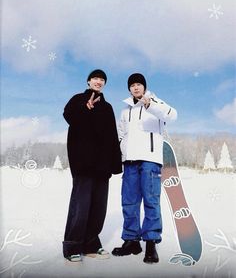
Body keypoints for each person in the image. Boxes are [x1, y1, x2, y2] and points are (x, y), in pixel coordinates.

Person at [112, 73, 177, 264]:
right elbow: (120, 133)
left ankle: (150, 243)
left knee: (151, 201)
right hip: (130, 161)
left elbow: (172, 115)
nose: (136, 87)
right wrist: (121, 151)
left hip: (150, 160)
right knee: (129, 202)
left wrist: (151, 105)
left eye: (139, 84)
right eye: (132, 85)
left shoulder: (155, 102)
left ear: (144, 86)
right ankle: (131, 241)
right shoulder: (125, 110)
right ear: (129, 89)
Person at [63, 69, 122, 262]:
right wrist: (85, 108)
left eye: (102, 79)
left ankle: (90, 244)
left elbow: (113, 136)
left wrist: (115, 164)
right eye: (95, 78)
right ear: (88, 81)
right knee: (81, 206)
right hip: (83, 164)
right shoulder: (78, 100)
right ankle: (72, 245)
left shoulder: (108, 107)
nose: (99, 81)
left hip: (102, 166)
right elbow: (68, 116)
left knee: (98, 208)